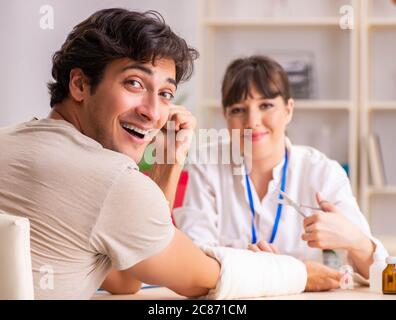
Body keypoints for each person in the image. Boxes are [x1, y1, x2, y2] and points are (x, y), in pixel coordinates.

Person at [0, 10, 340, 300]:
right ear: (79, 84)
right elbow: (206, 279)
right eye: (134, 83)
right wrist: (299, 273)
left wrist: (168, 164)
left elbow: (125, 278)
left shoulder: (10, 143)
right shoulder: (109, 178)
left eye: (165, 93)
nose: (153, 112)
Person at [173, 55, 388, 279]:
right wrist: (295, 274)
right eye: (238, 109)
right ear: (225, 116)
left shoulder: (321, 171)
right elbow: (194, 259)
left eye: (266, 105)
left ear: (288, 109)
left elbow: (380, 276)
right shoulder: (206, 164)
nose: (252, 121)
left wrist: (356, 241)